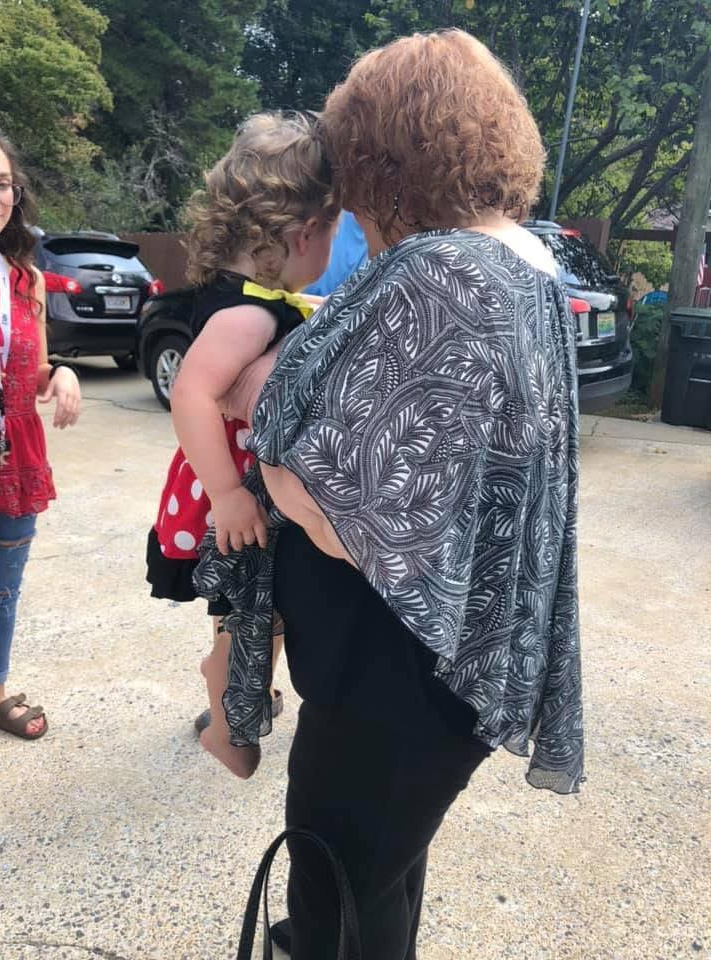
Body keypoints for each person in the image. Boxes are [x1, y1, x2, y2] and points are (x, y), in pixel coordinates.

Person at [196, 30, 584, 958]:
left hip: (389, 678)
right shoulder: (519, 263)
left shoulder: (443, 275)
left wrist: (271, 439)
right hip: (425, 675)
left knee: (337, 880)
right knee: (380, 879)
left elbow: (353, 516)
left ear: (382, 155)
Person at [146, 111, 339, 779]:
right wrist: (228, 493)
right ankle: (227, 722)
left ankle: (235, 682)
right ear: (304, 233)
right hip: (232, 493)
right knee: (257, 609)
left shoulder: (245, 300)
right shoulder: (249, 314)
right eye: (334, 233)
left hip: (237, 489)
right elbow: (191, 394)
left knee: (250, 604)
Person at [0, 124, 81, 741]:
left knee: (2, 588)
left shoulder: (27, 280)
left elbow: (36, 368)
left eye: (3, 185)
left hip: (14, 455)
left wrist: (65, 374)